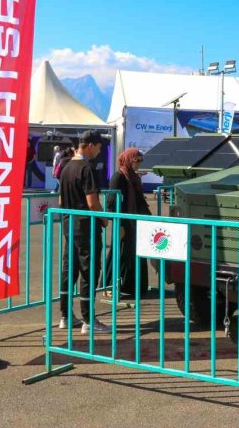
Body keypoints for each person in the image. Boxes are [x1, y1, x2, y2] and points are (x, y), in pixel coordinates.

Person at [59, 130, 110, 334]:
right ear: (89, 145)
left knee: (69, 270)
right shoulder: (87, 168)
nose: (99, 151)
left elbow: (61, 201)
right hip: (86, 227)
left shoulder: (66, 167)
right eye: (98, 147)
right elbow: (92, 203)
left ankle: (65, 316)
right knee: (89, 271)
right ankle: (89, 320)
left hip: (69, 224)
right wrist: (104, 219)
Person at [104, 148, 151, 299]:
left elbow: (139, 200)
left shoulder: (134, 177)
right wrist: (120, 225)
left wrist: (149, 218)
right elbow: (112, 203)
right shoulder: (118, 177)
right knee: (119, 253)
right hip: (124, 222)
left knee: (136, 253)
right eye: (137, 160)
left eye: (140, 161)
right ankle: (109, 285)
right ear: (129, 160)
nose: (139, 164)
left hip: (136, 222)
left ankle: (132, 286)